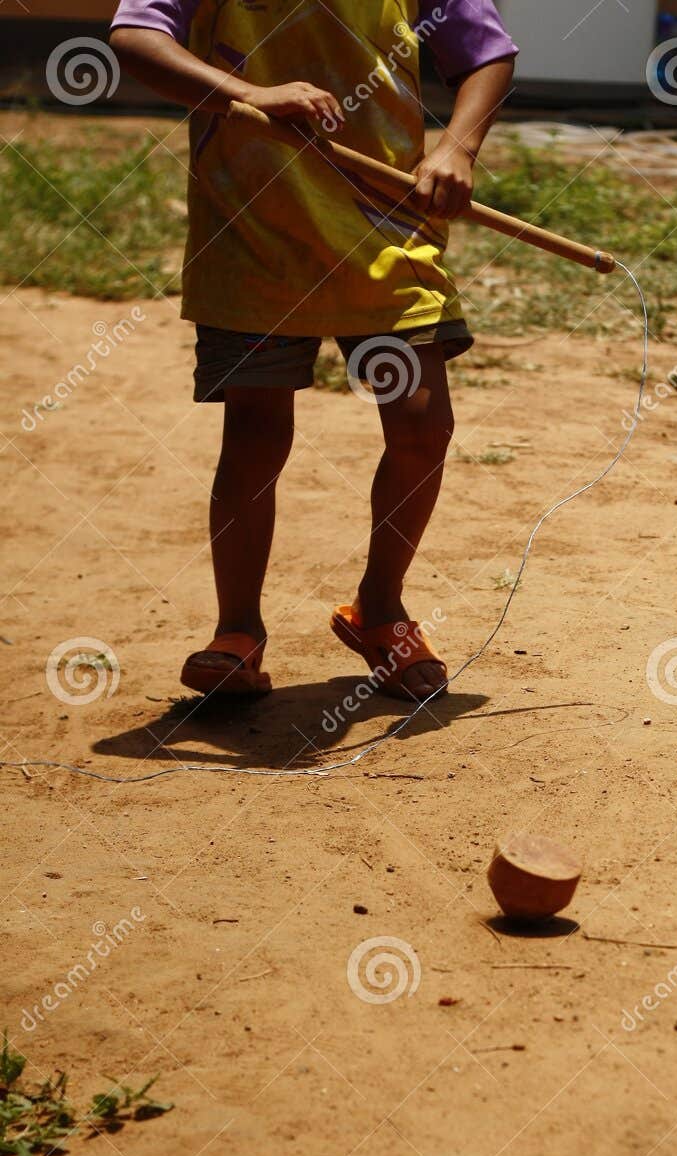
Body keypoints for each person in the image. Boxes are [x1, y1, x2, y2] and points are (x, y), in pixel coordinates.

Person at [109, 0, 518, 701]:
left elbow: (485, 51)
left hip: (387, 230)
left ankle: (379, 611)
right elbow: (134, 37)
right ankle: (236, 633)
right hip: (251, 234)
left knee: (423, 426)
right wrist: (247, 92)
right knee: (256, 434)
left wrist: (456, 147)